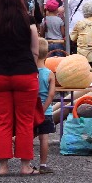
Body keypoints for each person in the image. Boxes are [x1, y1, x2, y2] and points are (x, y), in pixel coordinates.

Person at [0, 0, 40, 176]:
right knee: (25, 120)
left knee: (3, 121)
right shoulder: (28, 21)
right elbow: (35, 51)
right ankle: (25, 166)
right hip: (25, 73)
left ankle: (3, 166)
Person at [34, 38, 57, 175]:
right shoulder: (49, 74)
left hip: (31, 110)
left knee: (29, 134)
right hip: (45, 111)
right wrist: (43, 109)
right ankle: (43, 164)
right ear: (47, 54)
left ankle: (26, 161)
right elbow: (51, 94)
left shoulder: (31, 73)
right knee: (44, 138)